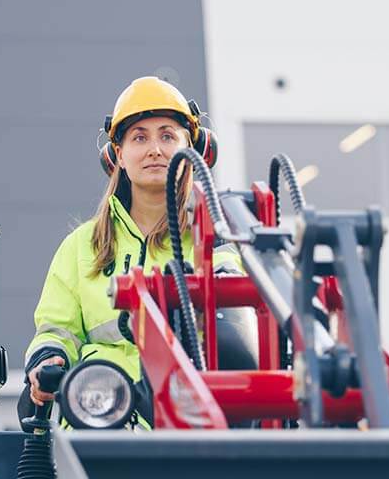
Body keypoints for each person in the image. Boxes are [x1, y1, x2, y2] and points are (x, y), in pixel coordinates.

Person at [19, 77, 257, 429]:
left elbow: (237, 322)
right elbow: (56, 331)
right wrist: (49, 359)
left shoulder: (218, 242)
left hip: (191, 430)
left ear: (193, 148)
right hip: (99, 426)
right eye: (139, 137)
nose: (154, 150)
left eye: (167, 135)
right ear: (117, 154)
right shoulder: (81, 247)